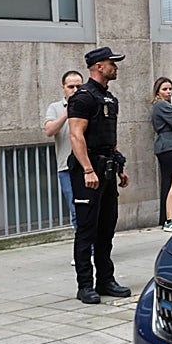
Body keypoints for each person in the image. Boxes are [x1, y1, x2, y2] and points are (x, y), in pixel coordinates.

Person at [67, 47, 133, 304]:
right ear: (98, 67)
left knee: (106, 228)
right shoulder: (83, 97)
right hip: (88, 170)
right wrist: (87, 169)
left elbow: (110, 139)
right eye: (111, 63)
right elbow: (76, 135)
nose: (115, 67)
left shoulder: (109, 98)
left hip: (106, 168)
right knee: (86, 230)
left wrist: (120, 168)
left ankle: (105, 280)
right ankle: (85, 285)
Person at [45, 70, 83, 229]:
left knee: (92, 210)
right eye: (71, 86)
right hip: (66, 168)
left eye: (78, 87)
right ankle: (86, 249)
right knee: (75, 210)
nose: (75, 90)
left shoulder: (88, 104)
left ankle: (96, 247)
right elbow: (49, 131)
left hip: (88, 165)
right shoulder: (55, 107)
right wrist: (67, 113)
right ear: (63, 88)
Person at [152, 77, 172, 231]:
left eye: (170, 89)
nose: (168, 92)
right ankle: (170, 219)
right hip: (169, 147)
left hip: (170, 146)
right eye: (164, 89)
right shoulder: (161, 105)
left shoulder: (166, 105)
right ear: (158, 91)